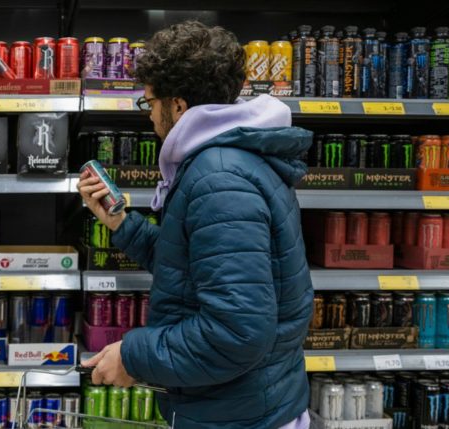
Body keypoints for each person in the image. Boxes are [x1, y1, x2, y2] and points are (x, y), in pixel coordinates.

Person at [78, 21, 314, 428]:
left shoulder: (218, 178)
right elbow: (195, 267)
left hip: (240, 416)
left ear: (179, 106)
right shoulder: (228, 160)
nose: (149, 116)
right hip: (245, 405)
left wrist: (134, 356)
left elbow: (237, 332)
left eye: (149, 103)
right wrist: (121, 224)